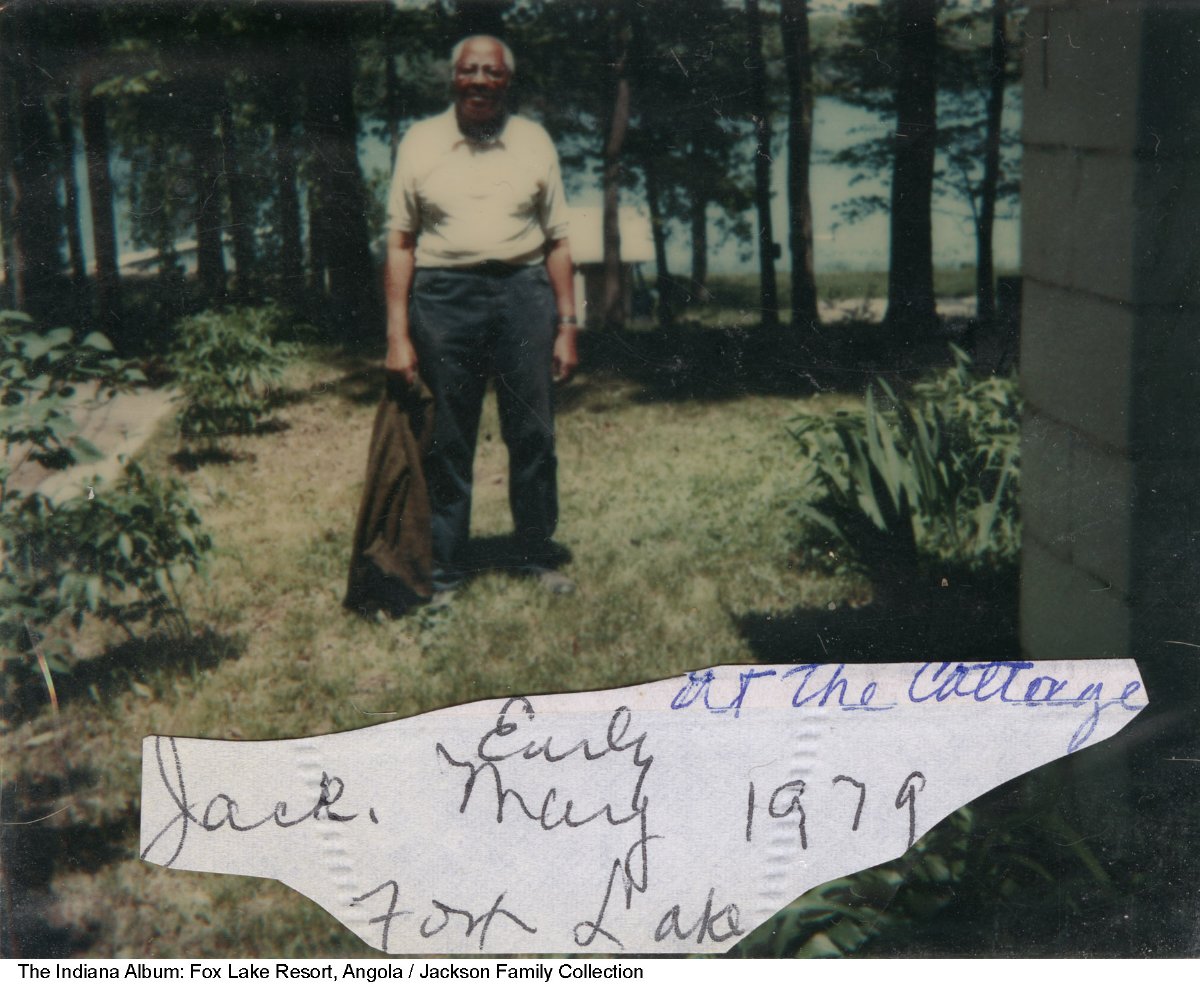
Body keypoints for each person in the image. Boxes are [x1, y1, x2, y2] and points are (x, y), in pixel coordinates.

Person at [383, 34, 579, 598]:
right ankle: (444, 568)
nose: (480, 81)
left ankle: (536, 554)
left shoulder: (534, 141)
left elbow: (559, 241)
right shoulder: (420, 142)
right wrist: (397, 335)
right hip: (444, 297)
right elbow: (399, 243)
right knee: (447, 438)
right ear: (453, 78)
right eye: (470, 70)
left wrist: (568, 326)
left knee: (533, 433)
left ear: (507, 81)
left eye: (492, 73)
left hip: (524, 294)